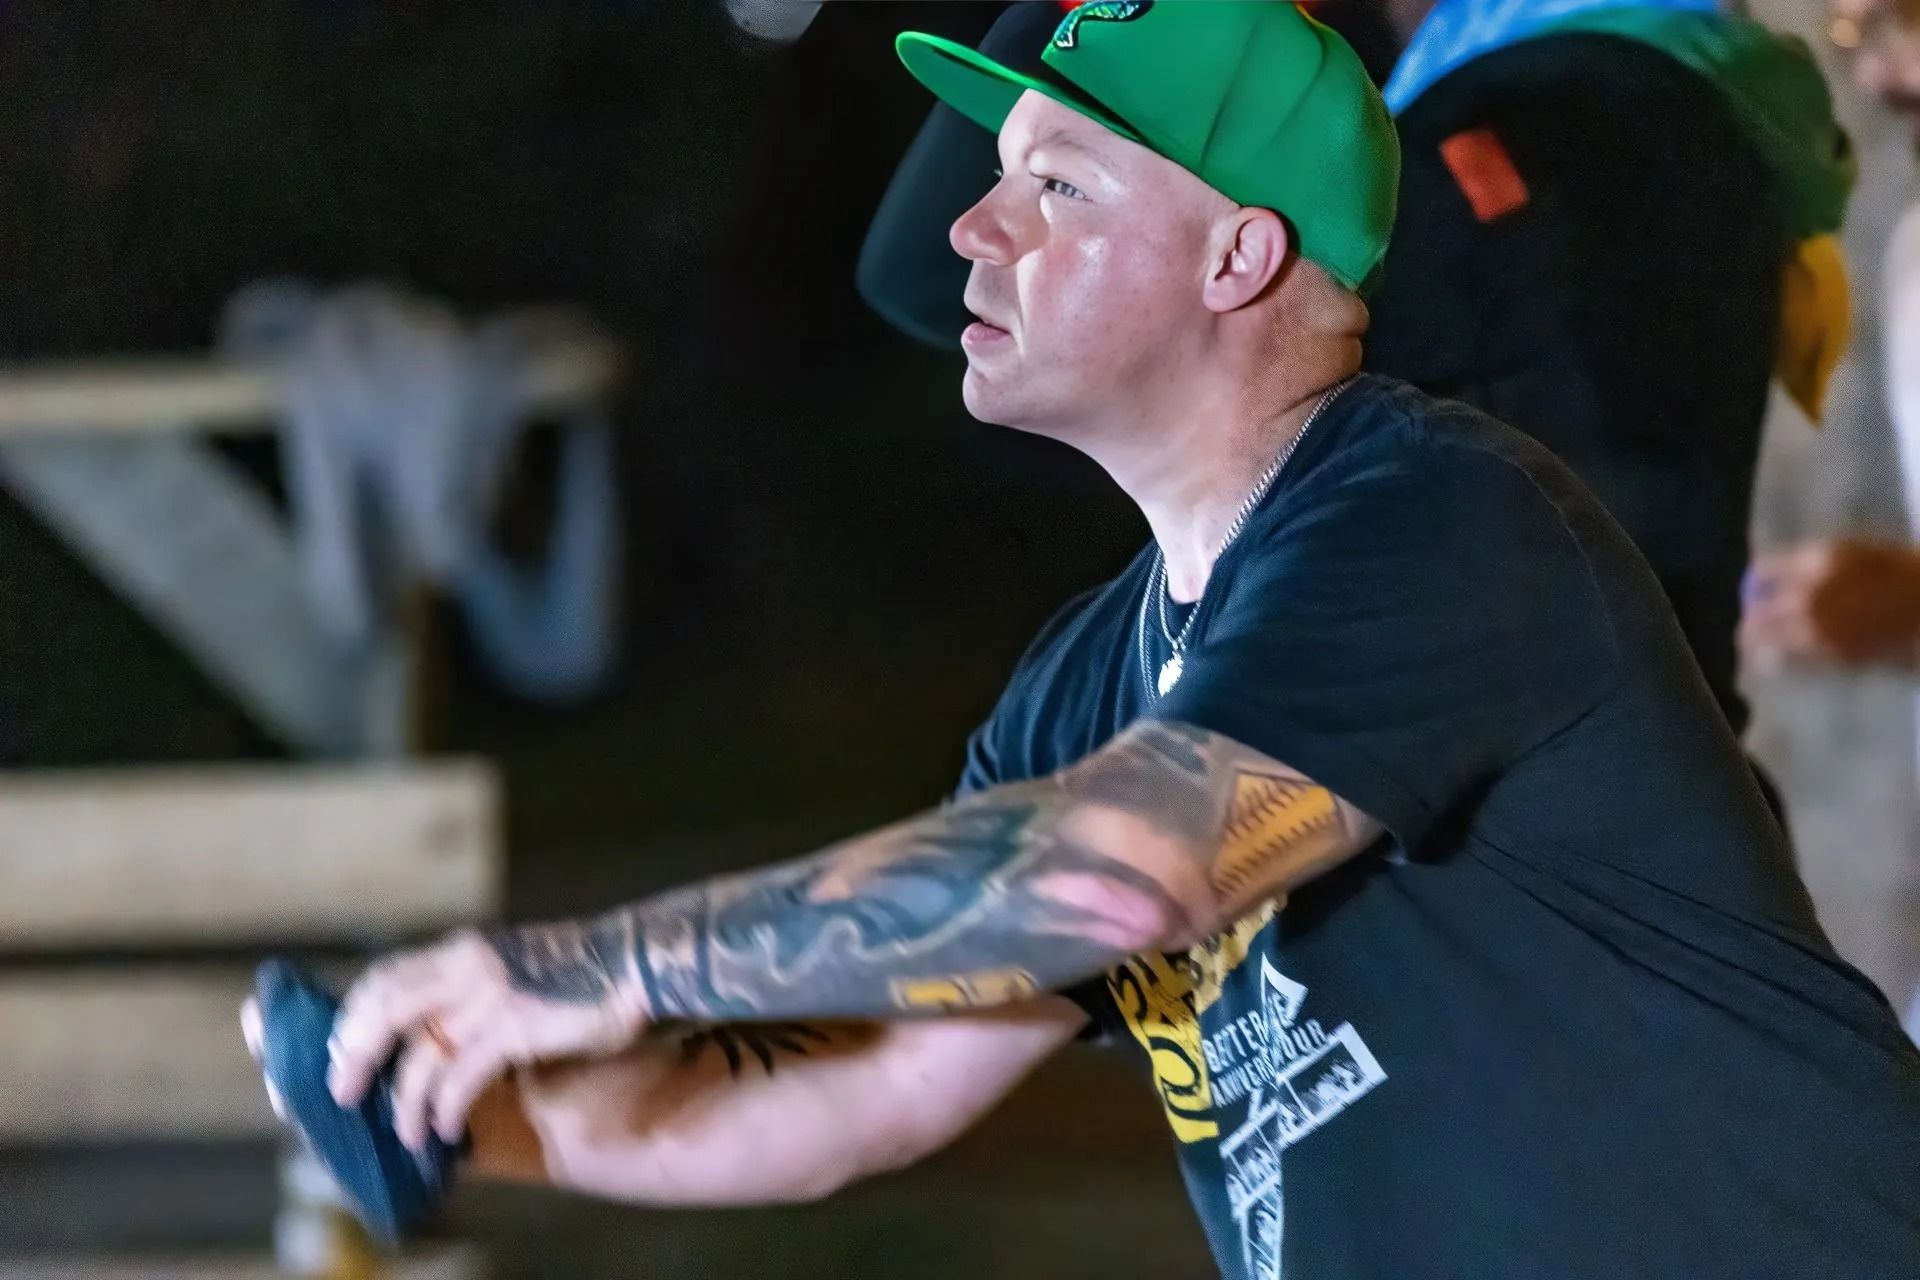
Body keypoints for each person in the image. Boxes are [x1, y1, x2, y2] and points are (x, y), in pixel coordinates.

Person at [250, 6, 1920, 1277]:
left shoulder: (1437, 516)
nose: (979, 232)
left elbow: (1120, 881)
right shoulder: (1088, 691)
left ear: (1242, 251)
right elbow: (848, 1095)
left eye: (1055, 184)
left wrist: (579, 963)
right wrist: (469, 1105)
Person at [861, 0, 1854, 758]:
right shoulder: (1513, 93)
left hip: (1569, 866)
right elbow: (943, 282)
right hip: (1515, 832)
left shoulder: (1582, 112)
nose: (985, 225)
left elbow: (949, 281)